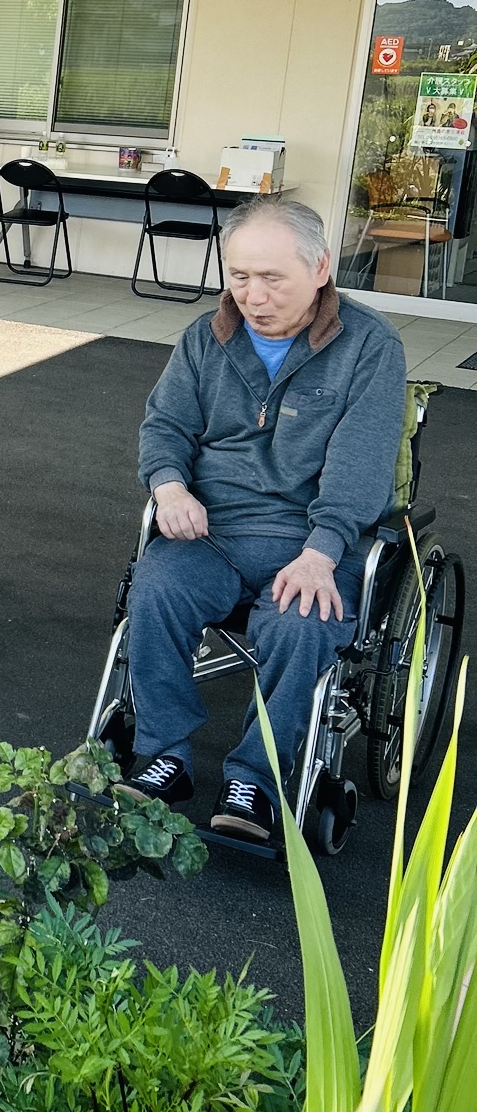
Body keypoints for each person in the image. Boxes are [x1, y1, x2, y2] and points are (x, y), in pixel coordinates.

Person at [123, 196, 407, 844]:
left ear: (320, 268)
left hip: (312, 539)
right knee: (156, 587)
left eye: (273, 278)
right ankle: (165, 753)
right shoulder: (205, 338)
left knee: (302, 623)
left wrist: (322, 551)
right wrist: (169, 487)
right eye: (240, 275)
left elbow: (361, 463)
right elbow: (165, 425)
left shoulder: (369, 346)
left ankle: (255, 778)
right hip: (212, 531)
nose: (253, 296)